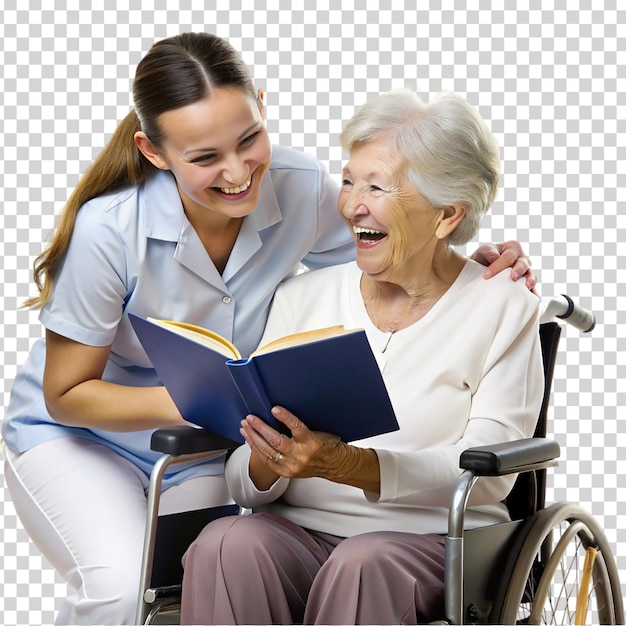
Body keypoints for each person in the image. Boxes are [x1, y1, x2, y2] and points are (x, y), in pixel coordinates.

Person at [0, 33, 532, 626]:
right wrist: (217, 403)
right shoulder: (108, 232)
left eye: (249, 139)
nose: (236, 172)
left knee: (215, 557)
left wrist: (473, 258)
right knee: (125, 587)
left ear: (261, 103)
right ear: (153, 152)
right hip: (84, 435)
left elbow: (392, 245)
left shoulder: (300, 187)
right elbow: (66, 392)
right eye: (204, 158)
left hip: (205, 447)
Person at [179, 88, 545, 625]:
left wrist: (354, 466)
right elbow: (244, 479)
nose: (351, 205)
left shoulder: (501, 305)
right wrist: (264, 459)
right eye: (349, 181)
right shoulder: (301, 297)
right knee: (225, 542)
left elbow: (490, 473)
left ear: (446, 216)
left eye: (377, 187)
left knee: (362, 562)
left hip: (433, 543)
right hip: (299, 532)